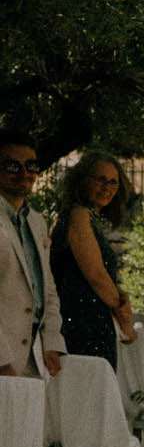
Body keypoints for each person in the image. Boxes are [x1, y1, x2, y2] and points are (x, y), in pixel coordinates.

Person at [49, 152, 134, 371]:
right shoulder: (79, 215)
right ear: (83, 180)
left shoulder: (88, 217)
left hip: (93, 322)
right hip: (82, 324)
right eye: (100, 179)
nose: (107, 187)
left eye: (113, 182)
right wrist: (124, 314)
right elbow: (96, 275)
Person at [0, 128, 64, 380]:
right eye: (12, 166)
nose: (24, 173)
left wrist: (52, 342)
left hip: (34, 359)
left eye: (31, 166)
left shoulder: (37, 222)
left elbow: (47, 289)